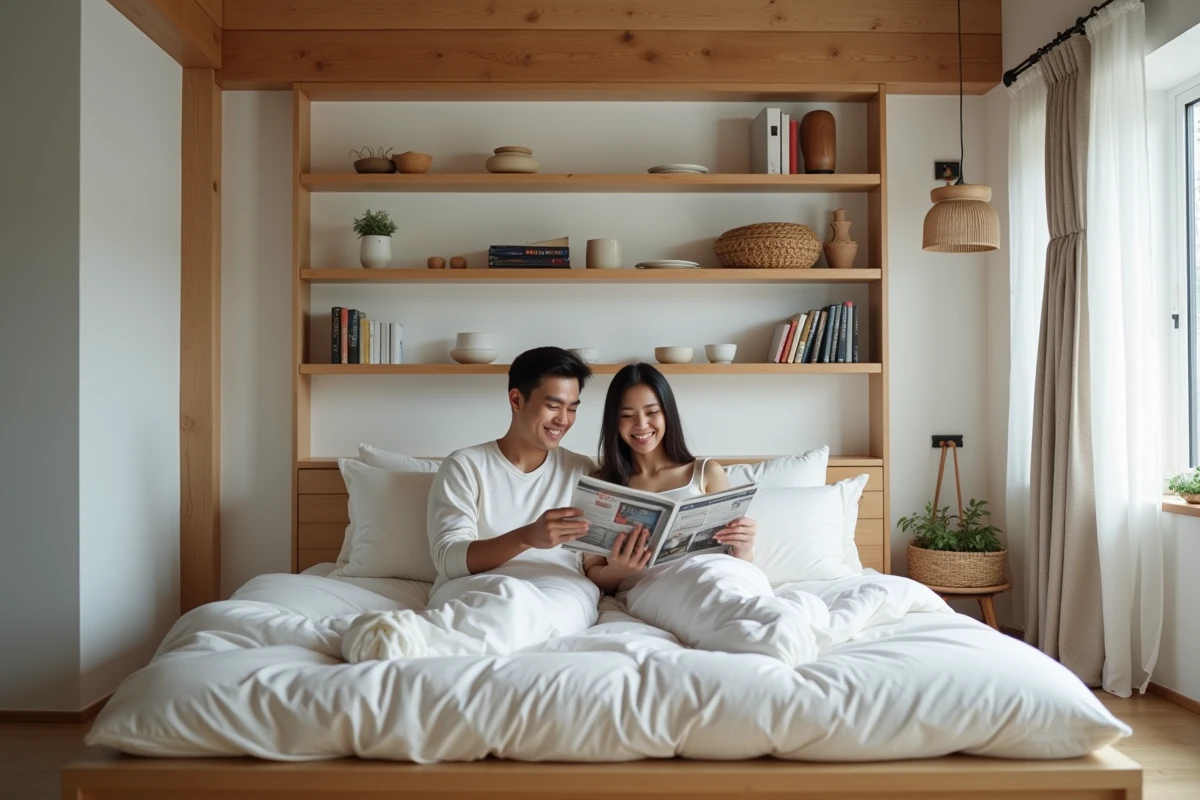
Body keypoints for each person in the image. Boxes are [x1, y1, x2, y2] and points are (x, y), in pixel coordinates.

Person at [340, 347, 601, 663]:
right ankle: (407, 638)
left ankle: (402, 639)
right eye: (552, 406)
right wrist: (526, 537)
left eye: (573, 408)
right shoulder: (466, 465)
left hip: (560, 591)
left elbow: (593, 565)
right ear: (516, 400)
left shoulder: (582, 471)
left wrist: (626, 564)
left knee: (527, 612)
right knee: (508, 601)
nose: (564, 420)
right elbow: (448, 560)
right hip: (477, 586)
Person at [581, 362, 820, 666]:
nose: (641, 424)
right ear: (614, 422)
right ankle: (771, 642)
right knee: (712, 608)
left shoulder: (705, 472)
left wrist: (743, 546)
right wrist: (618, 569)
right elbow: (594, 573)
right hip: (657, 588)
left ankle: (778, 631)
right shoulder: (603, 484)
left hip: (722, 573)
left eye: (652, 412)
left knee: (730, 595)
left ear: (667, 413)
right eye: (627, 416)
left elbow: (736, 560)